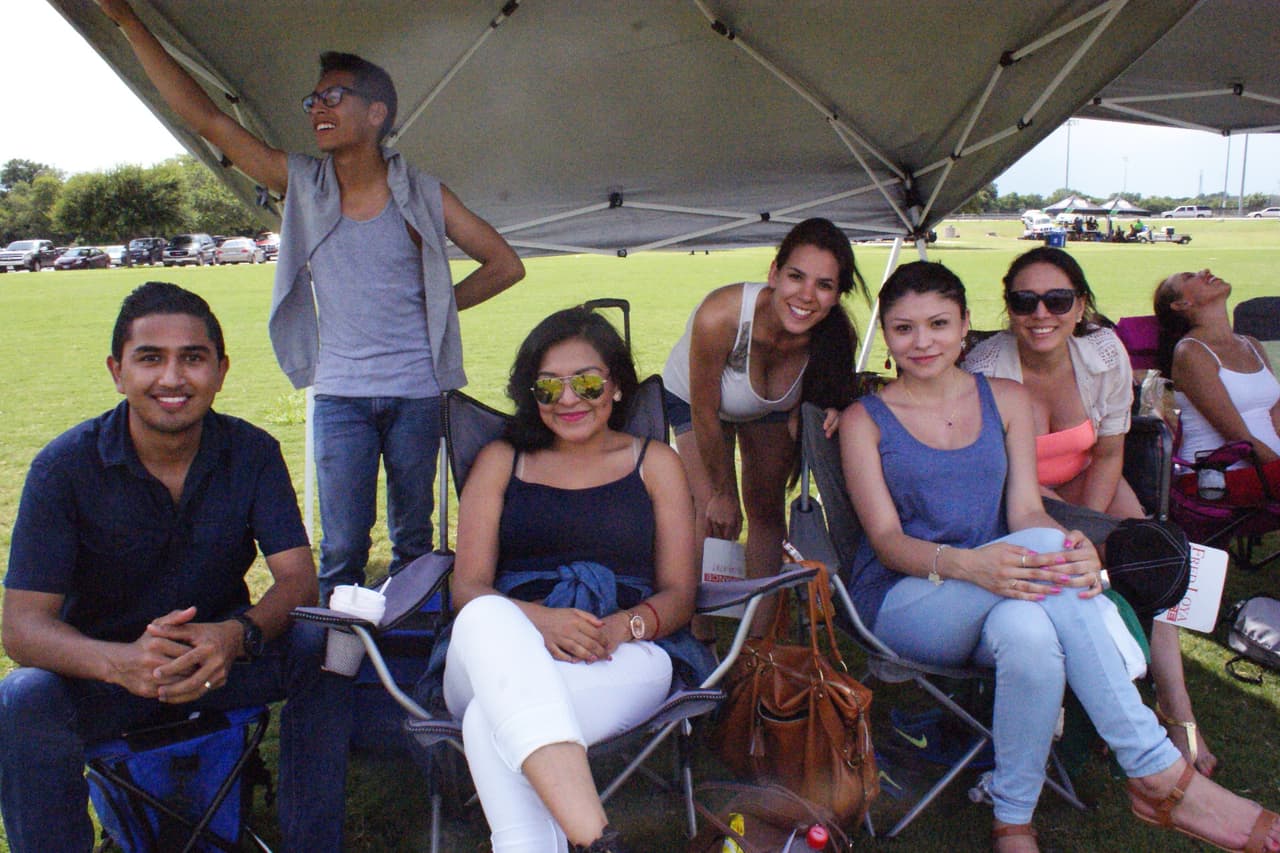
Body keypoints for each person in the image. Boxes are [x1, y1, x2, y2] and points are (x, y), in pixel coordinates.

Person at [839, 261, 1279, 852]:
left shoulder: (1008, 401)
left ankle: (1013, 821)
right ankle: (1153, 765)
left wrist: (1074, 549)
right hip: (908, 597)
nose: (922, 343)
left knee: (1028, 631)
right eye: (904, 329)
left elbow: (1025, 513)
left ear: (966, 326)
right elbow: (887, 542)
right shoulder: (867, 419)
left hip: (1009, 590)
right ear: (886, 335)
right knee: (1044, 557)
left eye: (938, 324)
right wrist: (973, 564)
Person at [97, 0, 526, 604]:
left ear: (376, 113)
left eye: (334, 97)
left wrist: (433, 308)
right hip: (341, 394)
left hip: (417, 392)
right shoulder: (301, 184)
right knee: (344, 546)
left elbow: (505, 265)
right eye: (313, 101)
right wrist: (129, 23)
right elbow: (207, 120)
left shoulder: (423, 194)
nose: (317, 108)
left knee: (414, 540)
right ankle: (336, 665)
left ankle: (407, 657)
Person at [0, 282, 352, 851]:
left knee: (326, 645)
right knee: (24, 697)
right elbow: (22, 627)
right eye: (149, 358)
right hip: (107, 677)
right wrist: (122, 664)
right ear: (117, 372)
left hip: (219, 662)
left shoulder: (252, 451)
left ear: (220, 370)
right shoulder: (63, 468)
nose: (171, 378)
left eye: (192, 358)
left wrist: (235, 636)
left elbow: (297, 580)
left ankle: (311, 841)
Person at [444, 307, 708, 853]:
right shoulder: (501, 460)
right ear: (530, 393)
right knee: (488, 615)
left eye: (587, 382)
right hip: (498, 642)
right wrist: (540, 623)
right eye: (548, 387)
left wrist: (617, 629)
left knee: (488, 725)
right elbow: (467, 587)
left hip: (620, 649)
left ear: (615, 387)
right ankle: (595, 836)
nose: (569, 400)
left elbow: (680, 594)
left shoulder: (655, 463)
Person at [964, 246, 1214, 776]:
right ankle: (1097, 708)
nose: (1041, 314)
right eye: (1024, 300)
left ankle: (1177, 711)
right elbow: (1000, 473)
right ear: (1008, 307)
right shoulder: (984, 367)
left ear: (1080, 306)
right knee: (1080, 572)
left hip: (1092, 477)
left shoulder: (1103, 352)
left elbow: (1109, 451)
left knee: (1149, 561)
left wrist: (1093, 530)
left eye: (1057, 300)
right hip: (1021, 492)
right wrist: (1080, 538)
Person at [662, 217, 867, 593]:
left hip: (766, 408)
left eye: (824, 285)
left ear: (837, 295)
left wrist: (831, 410)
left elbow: (833, 397)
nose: (807, 295)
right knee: (712, 512)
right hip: (695, 399)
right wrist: (724, 491)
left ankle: (759, 642)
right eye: (796, 277)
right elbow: (705, 411)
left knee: (767, 511)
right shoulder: (720, 316)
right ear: (774, 274)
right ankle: (702, 635)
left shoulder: (834, 338)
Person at [1155, 268, 1280, 504]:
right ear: (1181, 304)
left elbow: (1275, 414)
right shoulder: (1191, 352)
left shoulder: (1250, 344)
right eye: (1189, 276)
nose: (1205, 271)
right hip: (1220, 477)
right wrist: (1277, 471)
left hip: (1267, 470)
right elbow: (1237, 437)